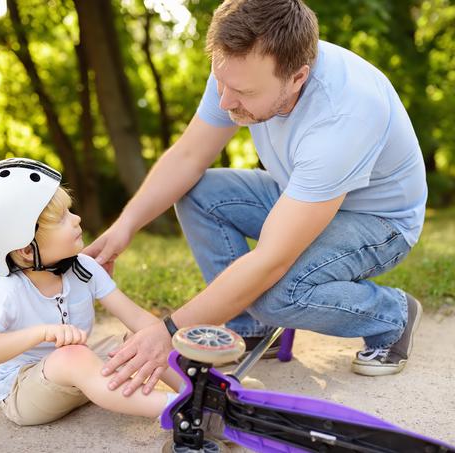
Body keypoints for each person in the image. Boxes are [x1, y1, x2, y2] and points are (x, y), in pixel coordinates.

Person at [85, 0, 427, 397]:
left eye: (242, 92)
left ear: (297, 77)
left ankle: (393, 316)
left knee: (277, 293)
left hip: (378, 221)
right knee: (198, 193)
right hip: (298, 193)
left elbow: (270, 261)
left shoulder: (343, 115)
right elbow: (188, 157)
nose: (226, 100)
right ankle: (248, 325)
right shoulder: (239, 71)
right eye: (220, 82)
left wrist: (168, 332)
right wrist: (124, 228)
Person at [0, 158, 182, 426]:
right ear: (27, 250)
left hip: (77, 375)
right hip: (24, 393)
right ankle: (180, 410)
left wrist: (164, 340)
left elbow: (140, 320)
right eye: (62, 218)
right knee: (74, 356)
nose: (76, 219)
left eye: (69, 212)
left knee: (140, 339)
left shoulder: (84, 268)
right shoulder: (8, 289)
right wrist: (41, 333)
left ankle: (205, 391)